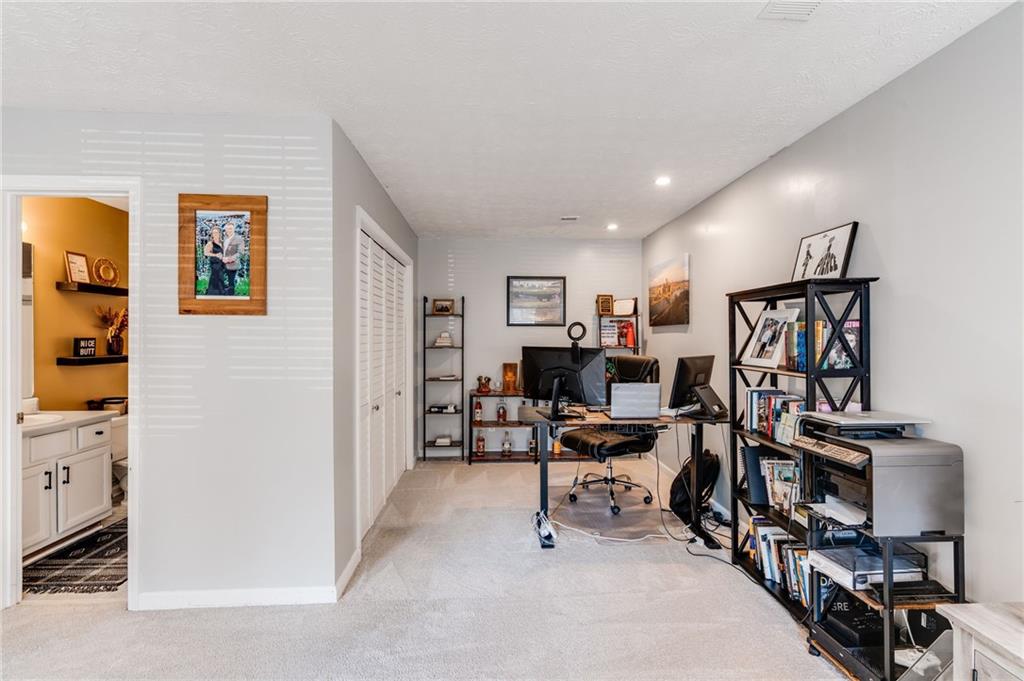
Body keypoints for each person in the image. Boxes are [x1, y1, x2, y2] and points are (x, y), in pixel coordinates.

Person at [222, 221, 246, 295]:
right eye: (228, 229)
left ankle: (231, 297)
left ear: (234, 229)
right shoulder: (224, 238)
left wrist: (230, 259)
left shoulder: (239, 239)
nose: (229, 230)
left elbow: (241, 252)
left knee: (231, 282)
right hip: (222, 263)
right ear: (225, 230)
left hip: (233, 264)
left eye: (231, 228)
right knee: (220, 279)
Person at [202, 226, 228, 295]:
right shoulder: (210, 243)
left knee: (221, 277)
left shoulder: (222, 243)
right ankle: (213, 293)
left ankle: (220, 292)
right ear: (212, 234)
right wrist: (215, 255)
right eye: (213, 233)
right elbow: (205, 253)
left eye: (216, 233)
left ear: (220, 233)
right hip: (214, 264)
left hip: (222, 264)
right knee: (215, 277)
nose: (215, 234)